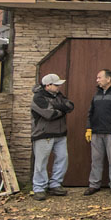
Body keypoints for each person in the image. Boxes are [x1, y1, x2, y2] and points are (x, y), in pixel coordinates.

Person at [30, 73, 74, 201]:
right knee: (41, 161)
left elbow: (70, 105)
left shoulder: (58, 95)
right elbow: (49, 114)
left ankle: (55, 184)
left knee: (62, 158)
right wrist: (62, 109)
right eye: (56, 85)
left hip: (60, 133)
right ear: (48, 85)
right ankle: (39, 188)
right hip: (43, 134)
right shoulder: (38, 98)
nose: (59, 87)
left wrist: (58, 108)